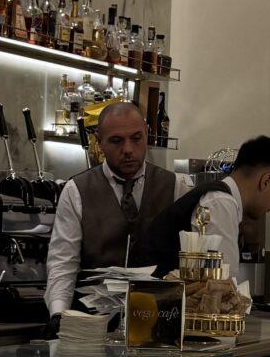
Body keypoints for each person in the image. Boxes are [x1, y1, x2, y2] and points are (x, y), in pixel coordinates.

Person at [44, 101, 181, 316]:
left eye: (136, 138)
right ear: (99, 142)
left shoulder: (175, 187)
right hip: (91, 321)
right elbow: (63, 263)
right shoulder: (76, 190)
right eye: (116, 141)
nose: (128, 149)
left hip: (158, 318)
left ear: (147, 134)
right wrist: (58, 313)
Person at [158, 136, 270, 294]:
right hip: (157, 303)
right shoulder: (220, 203)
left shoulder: (221, 200)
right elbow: (222, 286)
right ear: (265, 181)